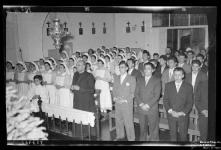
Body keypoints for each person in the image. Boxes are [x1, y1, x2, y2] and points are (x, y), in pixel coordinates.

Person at [163, 67, 193, 141]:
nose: (177, 77)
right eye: (175, 75)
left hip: (182, 115)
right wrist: (171, 111)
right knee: (172, 135)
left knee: (183, 136)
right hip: (171, 115)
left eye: (179, 75)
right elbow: (165, 100)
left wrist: (181, 112)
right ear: (173, 75)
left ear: (183, 75)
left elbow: (190, 102)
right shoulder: (168, 85)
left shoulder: (188, 86)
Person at [135, 62, 161, 141]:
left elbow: (156, 96)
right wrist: (141, 104)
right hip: (141, 108)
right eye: (145, 68)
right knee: (142, 128)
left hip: (151, 108)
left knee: (154, 129)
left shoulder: (157, 80)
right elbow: (136, 93)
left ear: (153, 70)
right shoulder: (140, 79)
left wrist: (147, 105)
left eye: (149, 69)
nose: (146, 70)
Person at [112, 61, 136, 141]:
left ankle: (131, 138)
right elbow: (114, 90)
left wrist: (124, 100)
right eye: (120, 67)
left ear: (126, 68)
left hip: (127, 104)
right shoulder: (117, 77)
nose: (121, 69)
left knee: (128, 122)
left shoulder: (131, 78)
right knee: (118, 120)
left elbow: (133, 93)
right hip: (118, 103)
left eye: (122, 67)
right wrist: (115, 98)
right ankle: (120, 135)